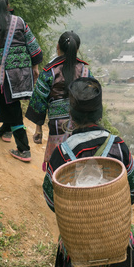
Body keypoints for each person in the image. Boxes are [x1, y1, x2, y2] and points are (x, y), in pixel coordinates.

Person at [43, 77, 134, 267]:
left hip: (78, 248)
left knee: (66, 252)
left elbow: (52, 200)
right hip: (115, 242)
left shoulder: (60, 154)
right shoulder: (118, 147)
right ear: (100, 112)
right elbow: (133, 191)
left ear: (71, 114)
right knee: (128, 244)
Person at [0, 0, 43, 162]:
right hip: (23, 70)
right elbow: (34, 47)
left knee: (12, 107)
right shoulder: (20, 21)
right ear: (8, 5)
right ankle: (5, 130)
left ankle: (24, 149)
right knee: (5, 99)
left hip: (5, 72)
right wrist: (35, 67)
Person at [25, 31, 93, 170]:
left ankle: (54, 181)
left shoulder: (50, 71)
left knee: (58, 158)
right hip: (81, 123)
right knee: (78, 157)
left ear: (57, 47)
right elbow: (92, 99)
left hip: (57, 125)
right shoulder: (85, 71)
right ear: (77, 50)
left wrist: (38, 129)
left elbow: (39, 101)